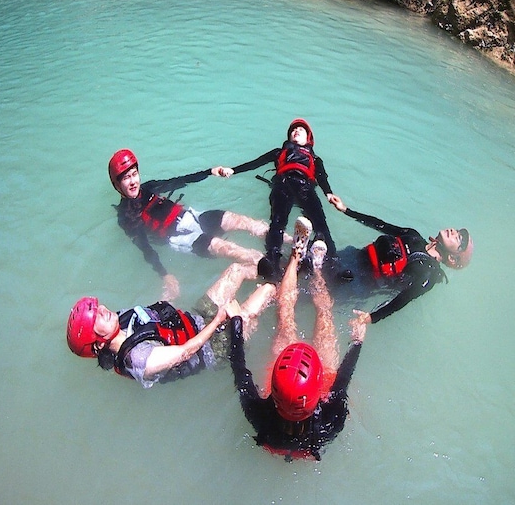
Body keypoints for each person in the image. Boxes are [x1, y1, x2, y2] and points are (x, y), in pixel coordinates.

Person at [228, 217, 368, 461]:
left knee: (284, 317)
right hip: (321, 381)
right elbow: (341, 382)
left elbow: (240, 370)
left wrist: (236, 323)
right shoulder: (328, 422)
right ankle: (315, 268)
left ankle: (296, 255)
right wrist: (356, 342)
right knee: (324, 316)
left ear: (272, 389)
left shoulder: (260, 416)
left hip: (291, 379)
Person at [109, 148, 289, 300]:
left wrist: (209, 172)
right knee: (227, 247)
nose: (133, 182)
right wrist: (165, 275)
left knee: (240, 220)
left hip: (191, 216)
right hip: (181, 238)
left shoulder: (149, 188)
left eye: (134, 174)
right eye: (126, 178)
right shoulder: (126, 216)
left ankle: (289, 241)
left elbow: (180, 181)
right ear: (116, 185)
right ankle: (278, 278)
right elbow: (145, 247)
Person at [67, 262, 275, 388]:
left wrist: (168, 296)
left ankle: (277, 266)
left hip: (195, 319)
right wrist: (221, 319)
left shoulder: (119, 319)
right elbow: (185, 352)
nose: (103, 309)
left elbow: (153, 318)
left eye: (98, 307)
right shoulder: (139, 360)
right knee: (263, 295)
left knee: (236, 270)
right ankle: (289, 284)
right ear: (98, 344)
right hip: (211, 350)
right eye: (96, 317)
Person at [212, 118, 344, 280]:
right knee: (277, 223)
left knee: (321, 224)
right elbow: (256, 163)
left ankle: (334, 267)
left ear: (308, 138)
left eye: (301, 130)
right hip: (283, 184)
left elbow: (322, 177)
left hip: (305, 187)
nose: (296, 131)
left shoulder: (315, 159)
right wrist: (232, 170)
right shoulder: (279, 152)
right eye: (293, 130)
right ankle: (273, 263)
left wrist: (329, 193)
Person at [329, 198, 474, 324]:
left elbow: (403, 299)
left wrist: (372, 318)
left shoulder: (429, 272)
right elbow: (381, 225)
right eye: (457, 231)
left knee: (319, 292)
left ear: (453, 258)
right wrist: (346, 210)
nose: (454, 232)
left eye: (459, 239)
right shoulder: (413, 235)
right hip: (352, 256)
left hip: (359, 283)